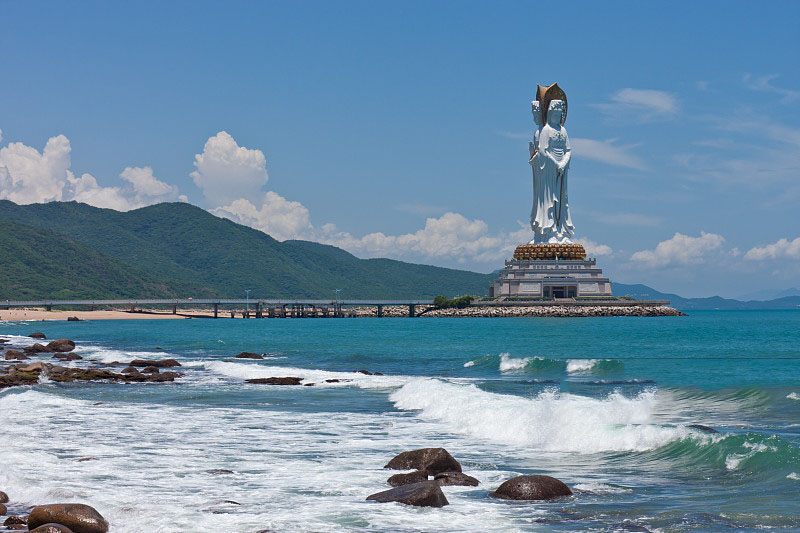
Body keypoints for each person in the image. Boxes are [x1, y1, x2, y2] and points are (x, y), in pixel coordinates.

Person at [530, 99, 574, 243]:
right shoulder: (546, 131)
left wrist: (563, 163)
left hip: (562, 169)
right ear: (549, 113)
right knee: (549, 198)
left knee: (562, 199)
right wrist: (556, 164)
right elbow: (543, 151)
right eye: (554, 113)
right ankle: (549, 231)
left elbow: (568, 150)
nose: (557, 116)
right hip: (548, 169)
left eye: (559, 114)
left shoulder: (563, 131)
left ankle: (562, 231)